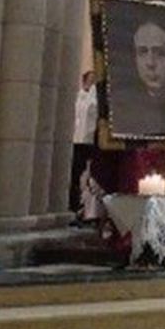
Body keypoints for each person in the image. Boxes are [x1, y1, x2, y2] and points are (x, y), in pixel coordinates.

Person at [71, 71, 98, 219]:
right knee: (76, 173)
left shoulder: (95, 99)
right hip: (77, 141)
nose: (93, 84)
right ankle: (75, 206)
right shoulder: (79, 97)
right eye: (91, 81)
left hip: (91, 141)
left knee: (90, 175)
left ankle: (87, 209)